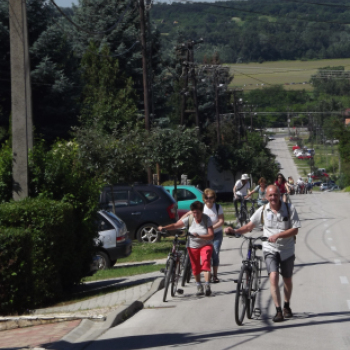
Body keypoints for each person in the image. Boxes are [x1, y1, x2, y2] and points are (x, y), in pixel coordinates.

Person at [224, 185, 301, 322]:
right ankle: (278, 311)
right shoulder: (263, 210)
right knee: (273, 277)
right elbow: (249, 226)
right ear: (266, 197)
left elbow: (295, 230)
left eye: (275, 195)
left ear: (279, 195)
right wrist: (235, 231)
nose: (273, 198)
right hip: (270, 248)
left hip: (287, 249)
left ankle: (286, 306)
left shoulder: (289, 209)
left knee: (287, 279)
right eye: (270, 195)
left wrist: (279, 235)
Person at [158, 201, 214, 296]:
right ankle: (199, 286)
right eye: (193, 212)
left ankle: (207, 285)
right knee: (195, 266)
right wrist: (164, 228)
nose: (195, 215)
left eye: (198, 213)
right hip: (192, 246)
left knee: (205, 261)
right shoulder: (190, 219)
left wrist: (199, 236)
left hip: (205, 245)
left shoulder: (206, 219)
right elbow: (176, 225)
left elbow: (211, 235)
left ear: (202, 212)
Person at [180, 189, 224, 283]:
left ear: (214, 198)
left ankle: (215, 275)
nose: (208, 199)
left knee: (215, 253)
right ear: (204, 199)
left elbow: (221, 221)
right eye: (207, 198)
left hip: (216, 234)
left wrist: (211, 228)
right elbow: (189, 214)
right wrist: (179, 223)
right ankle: (206, 273)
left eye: (211, 198)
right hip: (203, 235)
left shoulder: (217, 207)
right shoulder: (201, 208)